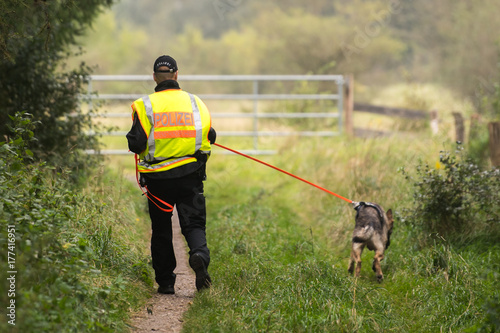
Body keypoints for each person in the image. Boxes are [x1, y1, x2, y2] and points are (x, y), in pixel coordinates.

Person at [126, 55, 216, 294]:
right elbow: (210, 134)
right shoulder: (195, 102)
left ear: (155, 78)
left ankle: (166, 282)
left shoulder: (144, 105)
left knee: (162, 229)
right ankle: (199, 256)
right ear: (176, 75)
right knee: (194, 224)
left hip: (158, 181)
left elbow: (137, 143)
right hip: (190, 176)